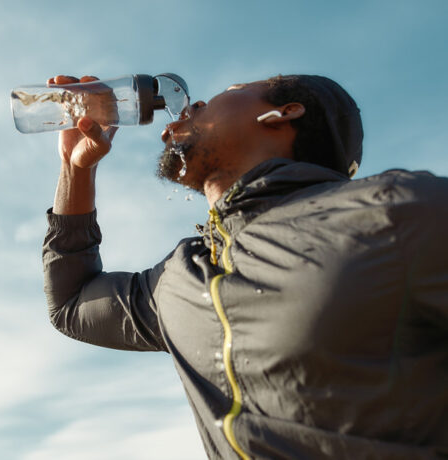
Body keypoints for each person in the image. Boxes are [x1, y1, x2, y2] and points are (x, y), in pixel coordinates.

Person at [42, 74, 448, 459]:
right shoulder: (179, 277)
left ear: (282, 114)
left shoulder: (397, 212)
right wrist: (76, 169)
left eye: (232, 89)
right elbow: (73, 303)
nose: (195, 104)